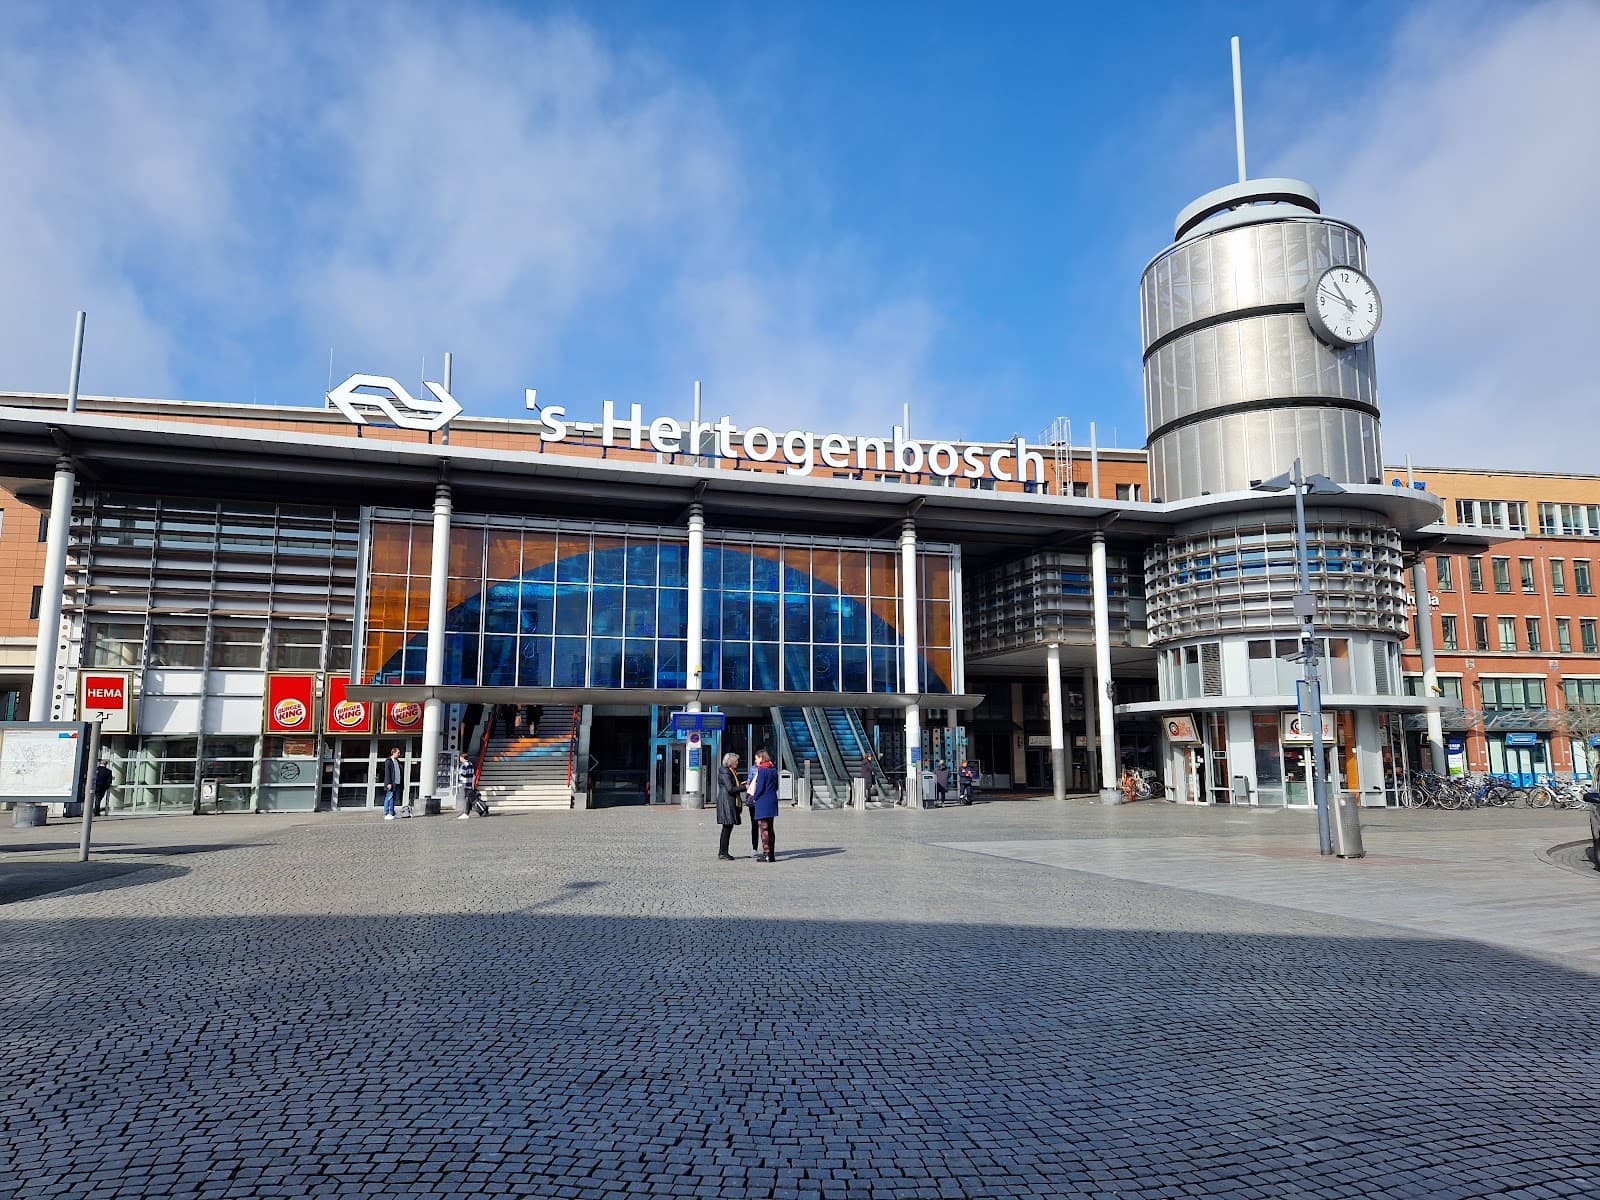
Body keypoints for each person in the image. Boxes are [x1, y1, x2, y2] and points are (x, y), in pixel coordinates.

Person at [747, 749, 779, 863]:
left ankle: (766, 854)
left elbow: (760, 787)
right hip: (772, 801)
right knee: (770, 828)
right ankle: (772, 854)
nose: (755, 760)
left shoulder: (762, 771)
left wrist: (754, 797)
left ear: (761, 758)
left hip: (763, 802)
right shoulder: (773, 770)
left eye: (756, 758)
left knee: (764, 828)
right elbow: (776, 786)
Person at [714, 751, 742, 860]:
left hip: (728, 801)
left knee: (728, 827)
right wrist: (745, 787)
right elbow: (730, 788)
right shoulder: (725, 771)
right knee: (727, 827)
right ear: (730, 762)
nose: (737, 763)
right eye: (736, 761)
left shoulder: (731, 771)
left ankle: (723, 851)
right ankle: (723, 852)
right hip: (726, 802)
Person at [382, 746, 404, 819]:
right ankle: (387, 813)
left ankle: (392, 813)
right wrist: (388, 783)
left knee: (393, 798)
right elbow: (387, 773)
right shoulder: (389, 761)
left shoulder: (397, 762)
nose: (399, 754)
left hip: (397, 783)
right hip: (391, 784)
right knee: (389, 797)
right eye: (398, 753)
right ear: (393, 752)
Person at [457, 752, 476, 820]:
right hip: (469, 783)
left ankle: (465, 813)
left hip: (463, 783)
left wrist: (458, 772)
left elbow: (463, 773)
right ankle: (465, 812)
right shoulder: (471, 764)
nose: (459, 759)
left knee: (463, 798)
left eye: (460, 757)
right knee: (467, 798)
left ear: (462, 757)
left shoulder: (464, 765)